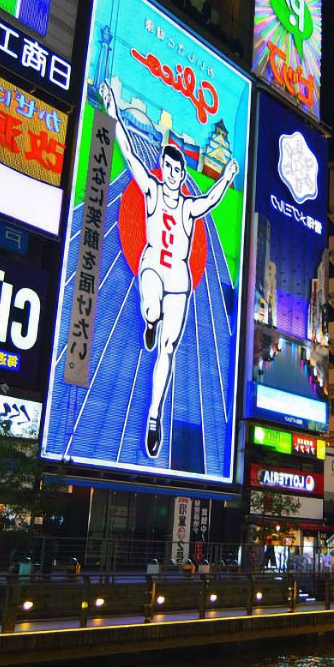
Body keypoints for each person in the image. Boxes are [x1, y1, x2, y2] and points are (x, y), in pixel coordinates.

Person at [102, 83, 239, 457]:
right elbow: (128, 153)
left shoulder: (189, 206)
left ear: (182, 172)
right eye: (171, 167)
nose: (176, 173)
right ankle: (149, 319)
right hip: (151, 264)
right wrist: (113, 109)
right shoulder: (150, 190)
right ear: (164, 169)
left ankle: (153, 416)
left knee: (169, 349)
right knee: (150, 307)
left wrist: (226, 177)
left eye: (180, 169)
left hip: (178, 277)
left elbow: (210, 200)